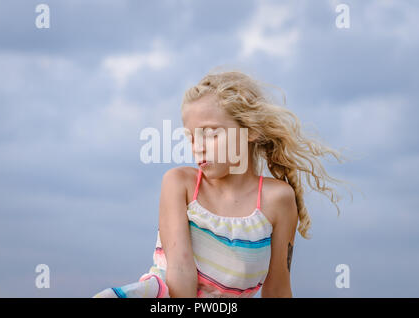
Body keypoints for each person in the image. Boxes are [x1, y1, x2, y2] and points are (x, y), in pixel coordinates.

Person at [93, 69, 349, 298]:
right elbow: (180, 272)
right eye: (191, 137)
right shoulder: (180, 184)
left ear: (250, 131)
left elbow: (278, 289)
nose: (197, 148)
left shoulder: (277, 201)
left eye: (210, 134)